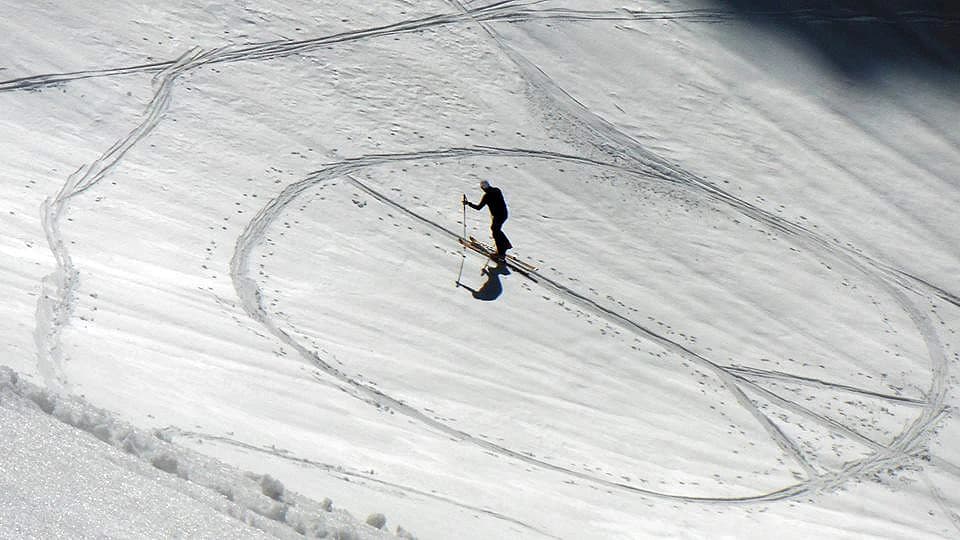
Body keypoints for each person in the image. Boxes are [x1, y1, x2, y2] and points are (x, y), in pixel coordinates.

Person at [463, 180, 512, 261]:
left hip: (497, 216)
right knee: (496, 230)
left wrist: (468, 203)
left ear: (482, 188)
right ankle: (505, 246)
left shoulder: (487, 196)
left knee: (496, 231)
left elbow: (478, 208)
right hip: (504, 214)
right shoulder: (497, 190)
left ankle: (501, 252)